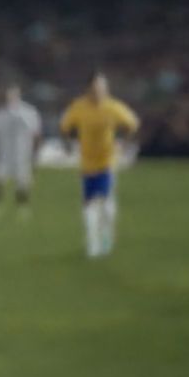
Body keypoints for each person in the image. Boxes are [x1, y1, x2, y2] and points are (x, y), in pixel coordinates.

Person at [59, 73, 139, 259]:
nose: (99, 92)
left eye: (102, 88)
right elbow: (64, 127)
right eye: (95, 89)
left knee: (104, 204)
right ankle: (92, 243)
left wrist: (124, 144)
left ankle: (106, 235)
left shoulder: (113, 108)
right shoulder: (78, 107)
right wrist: (68, 145)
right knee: (89, 205)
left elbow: (132, 124)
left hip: (106, 162)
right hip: (87, 163)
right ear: (88, 90)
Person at [0, 85, 42, 220]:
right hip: (4, 155)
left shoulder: (29, 113)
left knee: (23, 183)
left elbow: (36, 134)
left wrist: (35, 154)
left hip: (22, 155)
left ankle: (22, 208)